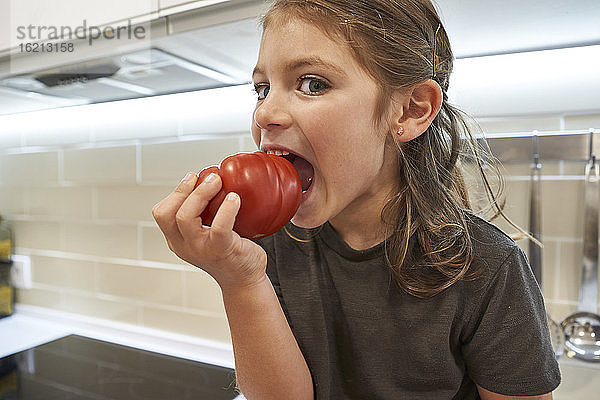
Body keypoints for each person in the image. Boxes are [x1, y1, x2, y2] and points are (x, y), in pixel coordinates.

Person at [152, 0, 561, 399]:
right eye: (262, 89)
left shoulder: (487, 266)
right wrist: (240, 281)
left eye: (313, 84)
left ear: (409, 111)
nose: (264, 114)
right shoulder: (270, 244)